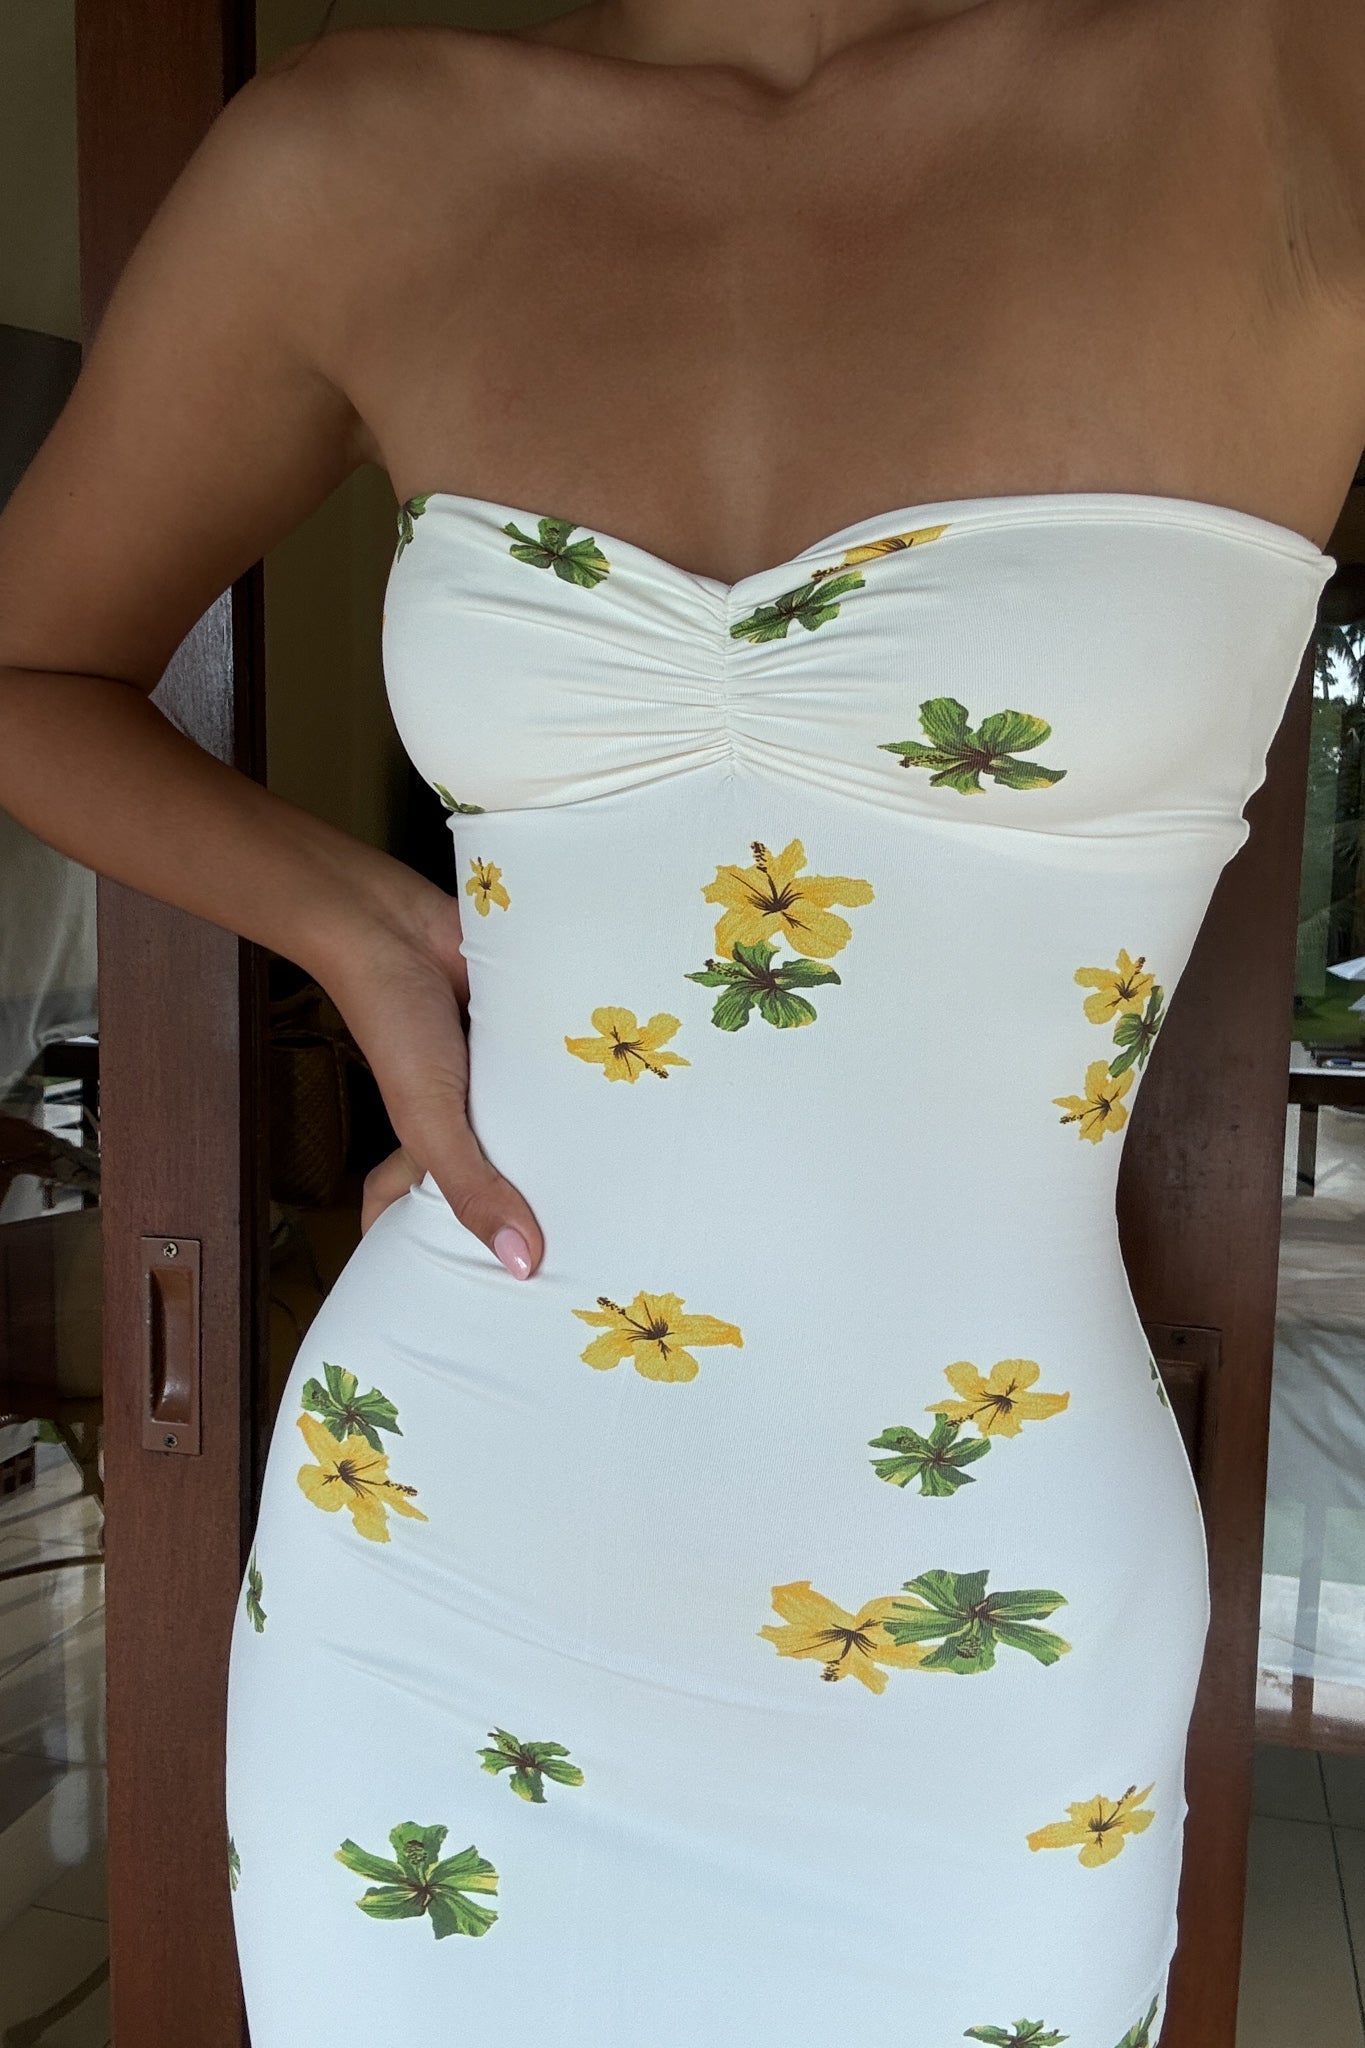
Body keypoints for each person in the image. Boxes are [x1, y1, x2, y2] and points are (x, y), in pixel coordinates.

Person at [0, 1, 1359, 2039]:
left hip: (977, 1625)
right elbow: (32, 666)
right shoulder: (360, 157)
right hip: (440, 1551)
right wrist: (357, 926)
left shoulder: (1287, 82)